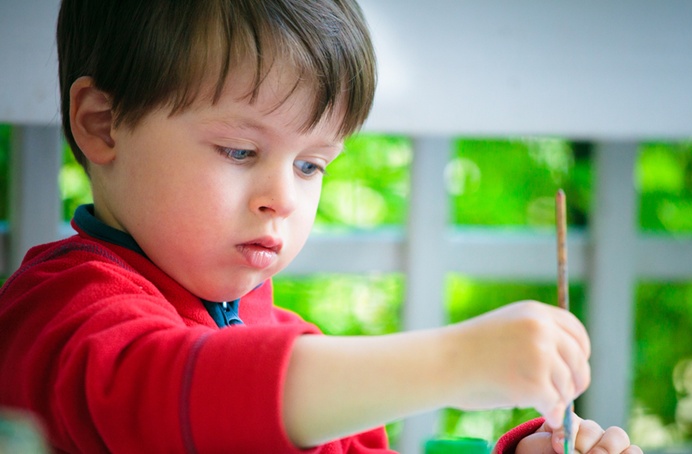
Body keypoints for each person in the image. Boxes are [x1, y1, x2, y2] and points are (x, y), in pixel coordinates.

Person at [0, 0, 642, 453]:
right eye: (239, 151)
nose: (282, 196)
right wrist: (454, 360)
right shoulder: (62, 311)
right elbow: (178, 393)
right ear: (103, 124)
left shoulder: (294, 351)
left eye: (311, 164)